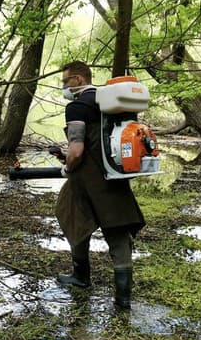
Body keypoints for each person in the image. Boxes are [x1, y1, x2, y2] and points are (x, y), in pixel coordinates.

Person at [53, 61, 146, 309]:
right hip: (114, 175)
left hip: (85, 179)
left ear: (79, 80)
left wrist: (67, 165)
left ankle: (81, 276)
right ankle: (123, 299)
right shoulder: (113, 103)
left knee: (72, 216)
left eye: (65, 81)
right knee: (117, 235)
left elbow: (77, 150)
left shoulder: (77, 106)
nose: (63, 86)